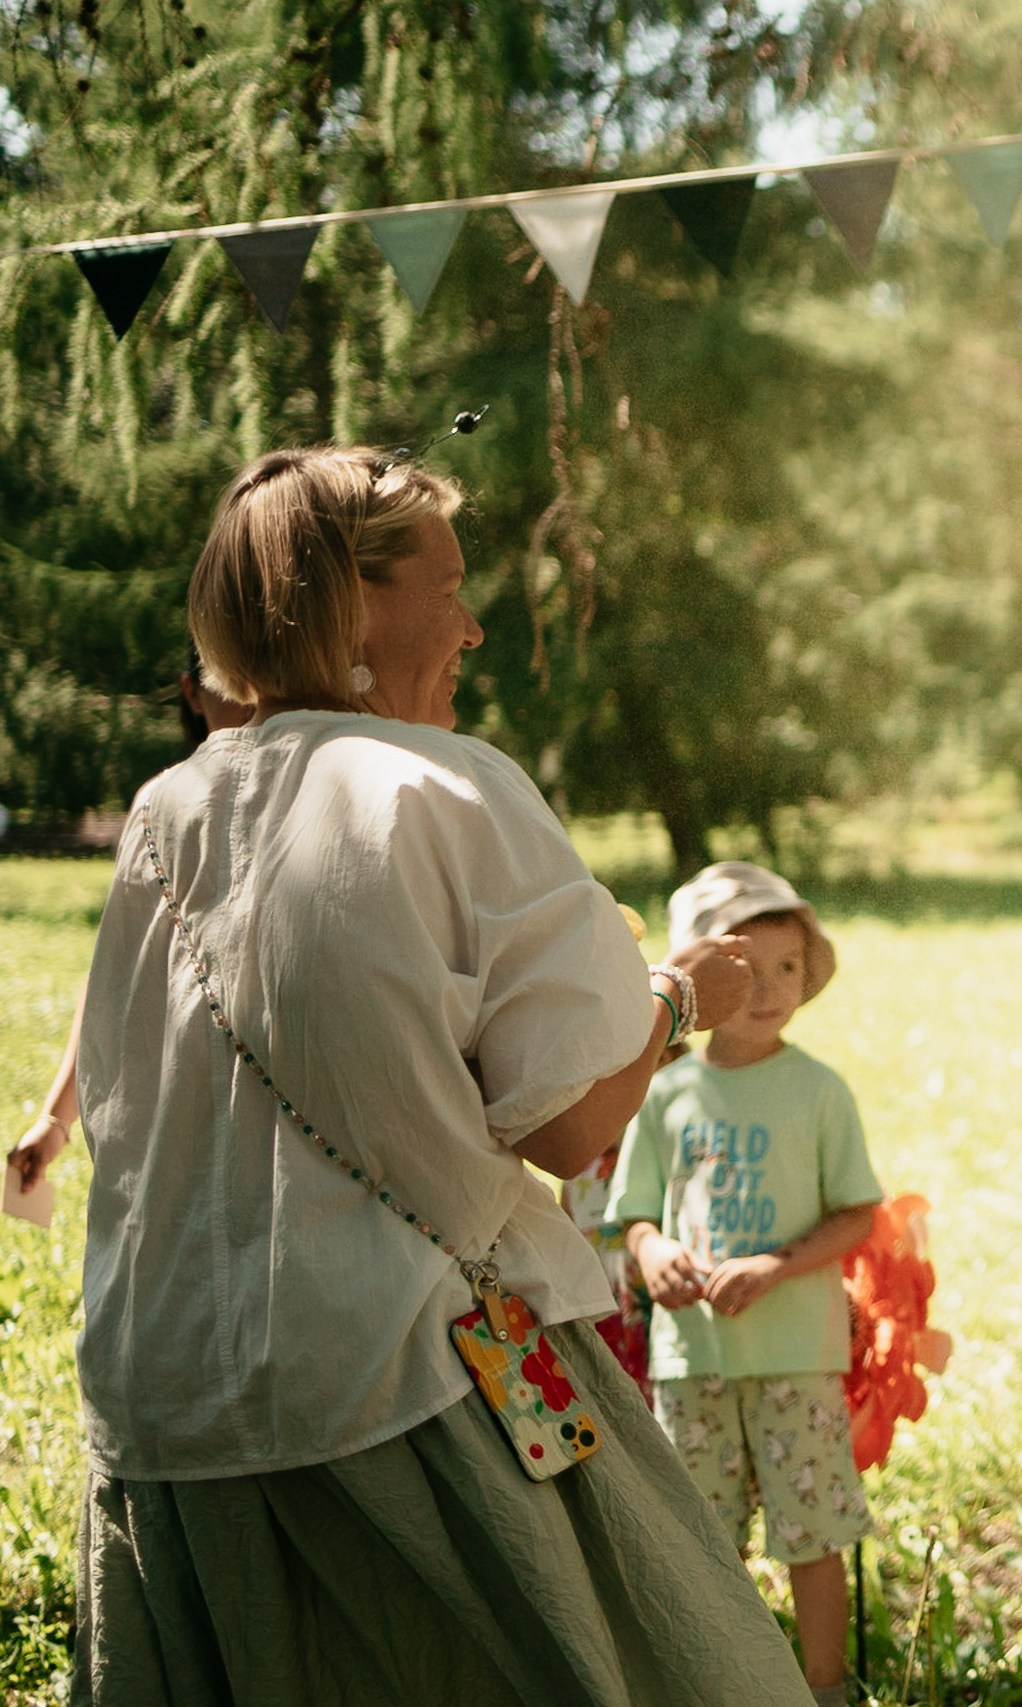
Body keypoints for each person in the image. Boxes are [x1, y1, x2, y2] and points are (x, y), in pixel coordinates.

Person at [71, 445, 816, 1700]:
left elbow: (122, 1108)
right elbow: (568, 1125)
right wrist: (680, 996)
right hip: (402, 1383)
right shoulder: (441, 783)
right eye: (452, 588)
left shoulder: (165, 812)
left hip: (167, 1401)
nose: (472, 628)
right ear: (348, 602)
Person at [609, 859, 884, 1707]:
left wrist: (777, 1264)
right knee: (704, 1541)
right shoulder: (665, 1093)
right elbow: (635, 1214)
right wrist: (653, 1252)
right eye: (746, 970)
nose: (769, 990)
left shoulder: (819, 1091)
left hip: (796, 1351)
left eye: (787, 967)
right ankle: (716, 1685)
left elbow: (857, 1213)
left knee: (813, 1533)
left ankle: (823, 1688)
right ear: (703, 979)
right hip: (693, 1358)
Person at [10, 650, 249, 1196]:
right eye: (230, 680)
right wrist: (54, 1120)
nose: (249, 700)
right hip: (184, 1110)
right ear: (192, 693)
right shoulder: (159, 807)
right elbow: (113, 974)